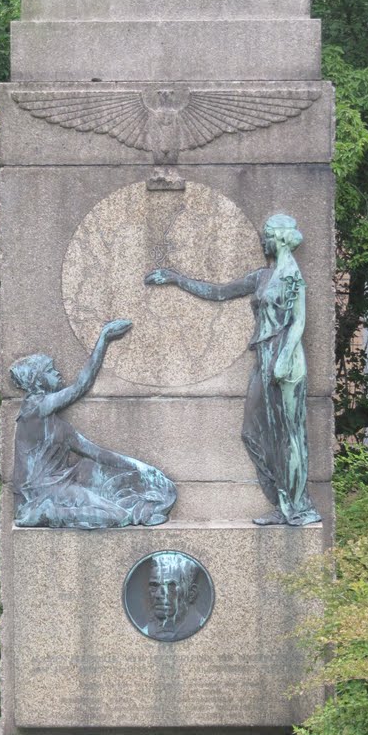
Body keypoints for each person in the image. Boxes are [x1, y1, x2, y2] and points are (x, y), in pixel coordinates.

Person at [144, 213, 320, 526]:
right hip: (264, 355)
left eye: (267, 235)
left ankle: (295, 506)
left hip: (285, 359)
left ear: (279, 238)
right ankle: (283, 498)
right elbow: (221, 292)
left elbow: (299, 322)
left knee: (288, 435)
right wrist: (175, 278)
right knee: (252, 433)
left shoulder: (292, 275)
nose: (263, 241)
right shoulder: (262, 276)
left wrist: (284, 358)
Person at [9, 319, 176, 529]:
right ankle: (45, 513)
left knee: (115, 509)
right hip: (38, 493)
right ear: (37, 381)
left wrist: (140, 467)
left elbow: (97, 453)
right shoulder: (33, 409)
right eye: (50, 371)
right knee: (118, 517)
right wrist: (103, 340)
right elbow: (81, 386)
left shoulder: (62, 429)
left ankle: (52, 512)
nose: (58, 373)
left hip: (61, 487)